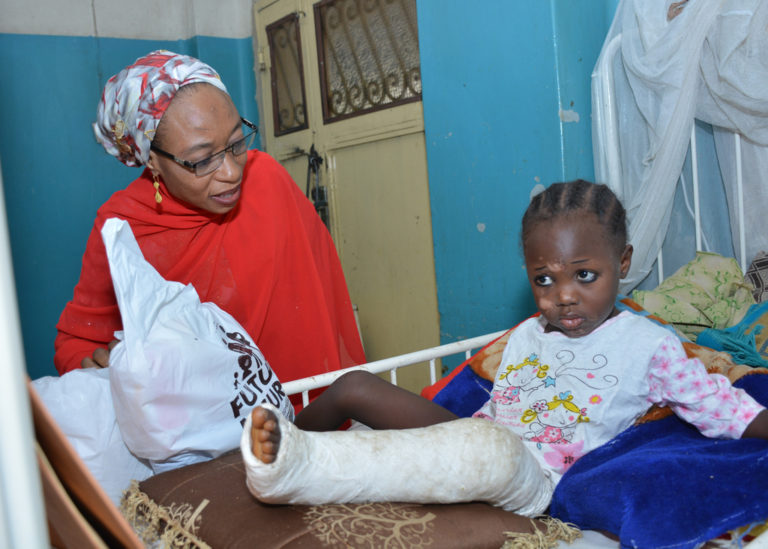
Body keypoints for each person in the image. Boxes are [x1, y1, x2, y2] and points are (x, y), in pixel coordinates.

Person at [241, 179, 768, 516]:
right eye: (544, 279)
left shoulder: (649, 346)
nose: (564, 296)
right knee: (355, 385)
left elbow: (728, 411)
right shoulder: (526, 334)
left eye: (586, 275)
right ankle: (282, 447)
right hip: (473, 440)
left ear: (623, 263)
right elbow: (487, 406)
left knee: (486, 453)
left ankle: (303, 470)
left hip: (530, 477)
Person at [54, 51, 365, 403]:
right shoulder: (123, 227)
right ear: (152, 160)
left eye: (236, 144)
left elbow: (321, 301)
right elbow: (79, 340)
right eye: (202, 160)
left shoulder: (266, 182)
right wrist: (97, 369)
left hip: (304, 406)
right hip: (194, 428)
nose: (232, 173)